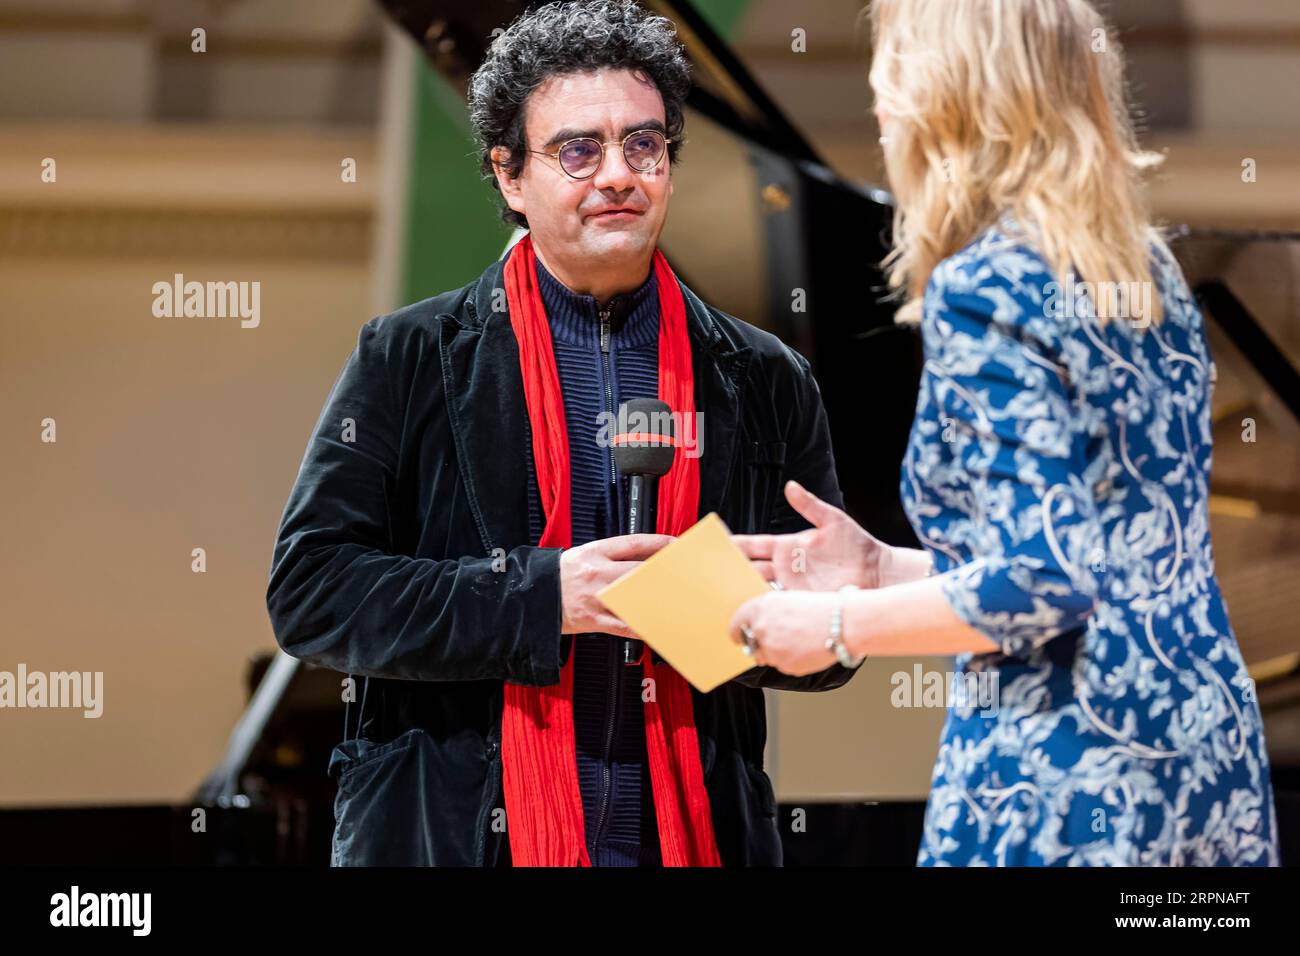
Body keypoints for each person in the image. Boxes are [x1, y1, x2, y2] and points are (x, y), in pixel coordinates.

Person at [266, 0, 854, 868]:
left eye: (644, 145)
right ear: (510, 177)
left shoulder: (764, 375)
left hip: (693, 839)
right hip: (460, 840)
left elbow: (828, 654)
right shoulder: (410, 356)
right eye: (579, 149)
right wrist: (540, 599)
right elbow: (313, 592)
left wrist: (756, 609)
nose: (618, 173)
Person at [727, 0, 1279, 866]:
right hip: (1202, 750)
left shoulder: (985, 287)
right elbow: (1103, 552)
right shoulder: (1149, 267)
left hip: (1068, 765)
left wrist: (838, 627)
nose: (881, 111)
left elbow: (1043, 580)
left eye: (891, 81)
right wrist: (881, 571)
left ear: (945, 99)